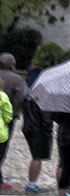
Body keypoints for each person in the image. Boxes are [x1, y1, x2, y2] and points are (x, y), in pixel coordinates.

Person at [0, 53, 25, 191]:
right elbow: (19, 97)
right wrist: (15, 113)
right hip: (6, 117)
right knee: (2, 147)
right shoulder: (16, 78)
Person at [20, 89, 50, 195]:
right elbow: (46, 119)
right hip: (38, 130)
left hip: (28, 128)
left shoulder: (29, 96)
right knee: (37, 157)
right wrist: (48, 133)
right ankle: (31, 185)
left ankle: (32, 184)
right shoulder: (44, 99)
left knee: (35, 156)